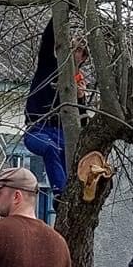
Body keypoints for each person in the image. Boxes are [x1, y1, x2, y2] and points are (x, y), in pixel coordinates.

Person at [22, 19, 87, 196]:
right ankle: (60, 193)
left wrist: (81, 98)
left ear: (83, 58)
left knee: (73, 159)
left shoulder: (79, 83)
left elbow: (82, 124)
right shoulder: (48, 66)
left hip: (62, 134)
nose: (73, 52)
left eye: (78, 50)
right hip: (38, 129)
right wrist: (59, 14)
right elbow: (47, 40)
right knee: (51, 148)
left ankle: (71, 199)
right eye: (71, 47)